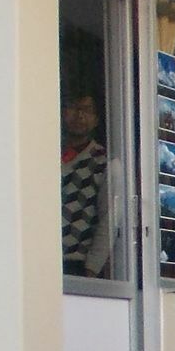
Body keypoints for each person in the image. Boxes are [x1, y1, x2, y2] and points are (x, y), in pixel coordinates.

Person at [60, 90, 112, 278]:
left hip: (77, 264)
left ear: (96, 119)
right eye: (73, 107)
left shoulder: (104, 161)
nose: (79, 115)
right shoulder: (45, 155)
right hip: (43, 259)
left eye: (86, 109)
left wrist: (92, 269)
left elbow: (109, 219)